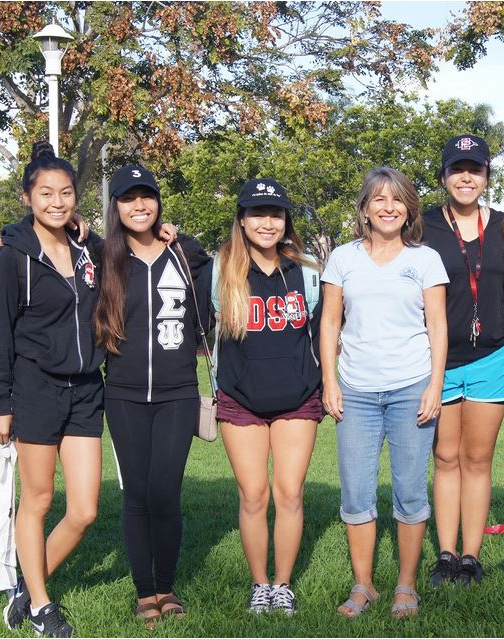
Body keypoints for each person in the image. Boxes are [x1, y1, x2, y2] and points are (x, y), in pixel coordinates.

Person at [0, 141, 105, 638]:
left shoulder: (87, 249)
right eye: (46, 193)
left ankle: (25, 587)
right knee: (36, 501)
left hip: (86, 389)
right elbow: (0, 333)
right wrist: (0, 404)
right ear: (27, 197)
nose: (57, 202)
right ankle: (40, 605)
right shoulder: (13, 257)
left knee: (83, 510)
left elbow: (122, 250)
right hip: (35, 390)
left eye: (66, 193)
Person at [320, 167, 448, 618]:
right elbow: (331, 321)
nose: (388, 207)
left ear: (408, 208)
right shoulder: (342, 258)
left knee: (411, 492)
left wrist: (435, 384)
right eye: (379, 199)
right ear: (366, 209)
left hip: (412, 386)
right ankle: (363, 586)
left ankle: (406, 587)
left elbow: (437, 325)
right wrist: (330, 380)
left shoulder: (426, 259)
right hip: (355, 391)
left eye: (397, 199)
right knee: (356, 493)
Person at [92, 165, 211, 627]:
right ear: (116, 207)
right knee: (137, 495)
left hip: (178, 394)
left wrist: (182, 240)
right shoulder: (104, 257)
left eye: (147, 197)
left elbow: (208, 268)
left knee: (166, 491)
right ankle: (146, 593)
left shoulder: (180, 254)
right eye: (128, 198)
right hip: (121, 395)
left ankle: (167, 586)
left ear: (158, 203)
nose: (139, 206)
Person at [215, 178, 323, 615]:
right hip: (240, 399)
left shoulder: (308, 272)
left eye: (275, 214)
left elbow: (326, 330)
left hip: (297, 397)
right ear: (241, 220)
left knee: (289, 493)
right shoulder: (220, 271)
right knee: (253, 495)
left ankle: (283, 584)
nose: (266, 222)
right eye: (257, 213)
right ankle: (260, 584)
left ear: (285, 221)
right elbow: (172, 252)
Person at [423, 134, 504, 586]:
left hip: (493, 356)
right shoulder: (420, 227)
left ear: (485, 176)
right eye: (457, 169)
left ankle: (471, 556)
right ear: (443, 176)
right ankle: (445, 553)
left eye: (474, 169)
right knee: (445, 455)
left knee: (478, 458)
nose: (465, 177)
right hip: (438, 358)